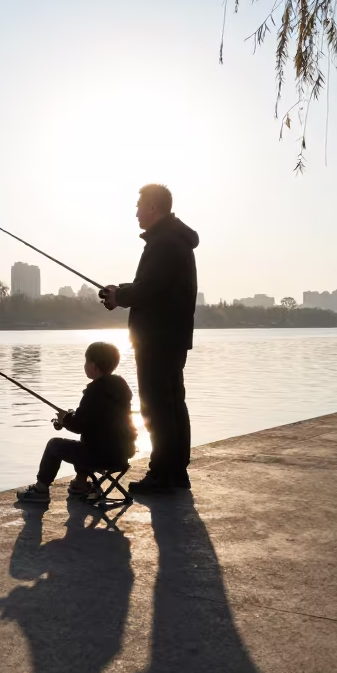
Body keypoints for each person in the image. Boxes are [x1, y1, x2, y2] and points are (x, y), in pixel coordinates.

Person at [101, 184, 199, 493]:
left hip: (156, 338)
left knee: (156, 408)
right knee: (173, 405)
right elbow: (153, 286)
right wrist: (120, 292)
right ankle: (176, 472)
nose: (136, 212)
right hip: (172, 337)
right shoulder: (176, 242)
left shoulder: (163, 243)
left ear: (154, 207)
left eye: (139, 206)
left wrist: (121, 296)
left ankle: (161, 475)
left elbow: (148, 289)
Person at [16, 341, 137, 503]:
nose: (85, 365)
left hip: (101, 457)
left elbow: (78, 426)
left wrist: (64, 419)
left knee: (55, 445)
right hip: (122, 455)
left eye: (86, 361)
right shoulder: (120, 387)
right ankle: (80, 484)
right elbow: (94, 421)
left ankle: (41, 490)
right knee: (89, 440)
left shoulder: (94, 392)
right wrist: (69, 418)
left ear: (93, 366)